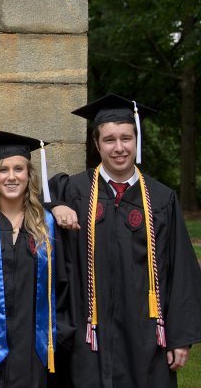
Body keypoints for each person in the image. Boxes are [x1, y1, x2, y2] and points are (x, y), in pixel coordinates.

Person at [49, 94, 201, 388]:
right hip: (89, 331)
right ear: (97, 144)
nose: (119, 148)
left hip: (144, 334)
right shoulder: (75, 191)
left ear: (136, 140)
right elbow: (29, 204)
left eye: (126, 138)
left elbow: (181, 269)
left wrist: (180, 339)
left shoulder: (161, 199)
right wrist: (55, 205)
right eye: (109, 140)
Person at [0, 131, 71, 388]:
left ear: (29, 175)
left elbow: (61, 285)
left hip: (31, 347)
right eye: (3, 170)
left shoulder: (47, 225)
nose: (11, 177)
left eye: (19, 169)